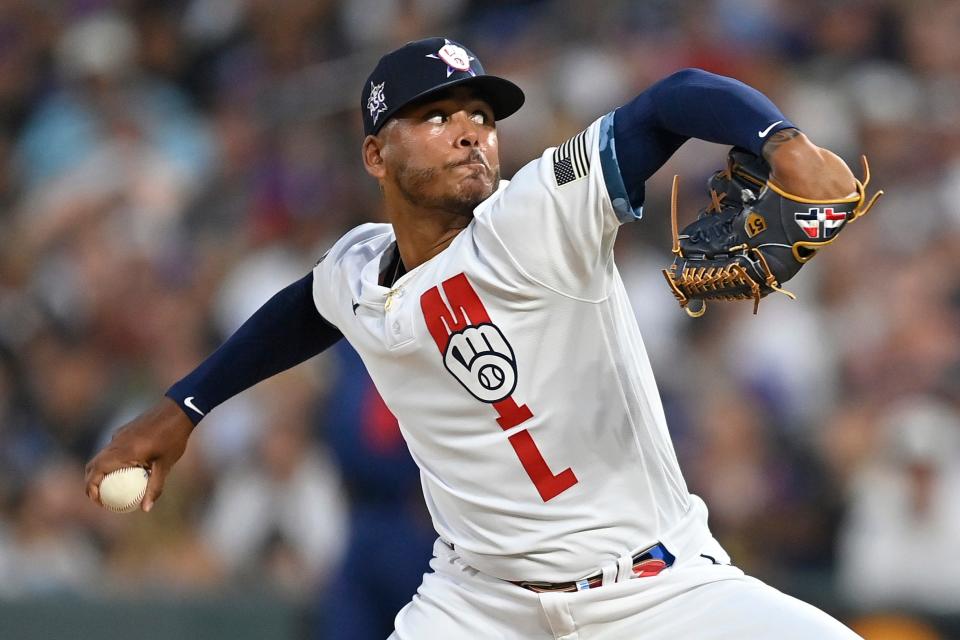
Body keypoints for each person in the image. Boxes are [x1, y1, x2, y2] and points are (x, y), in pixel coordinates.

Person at [86, 37, 862, 638]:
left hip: (657, 589)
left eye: (483, 118)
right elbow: (308, 308)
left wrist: (784, 142)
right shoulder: (357, 268)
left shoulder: (537, 218)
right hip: (478, 604)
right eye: (436, 116)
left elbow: (674, 99)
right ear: (374, 153)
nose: (471, 134)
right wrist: (184, 406)